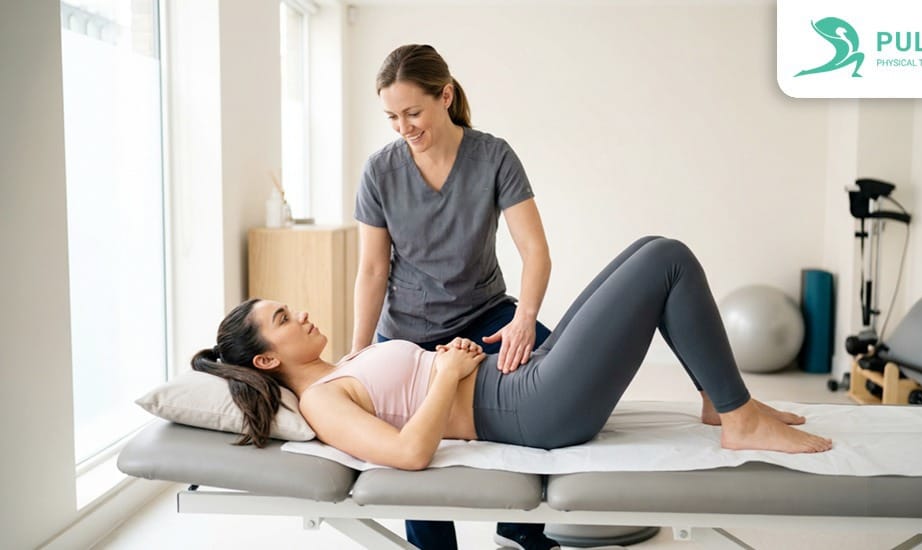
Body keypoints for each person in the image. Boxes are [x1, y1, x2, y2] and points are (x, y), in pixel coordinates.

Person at [194, 237, 833, 496]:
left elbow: (407, 385)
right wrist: (445, 376)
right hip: (529, 409)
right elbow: (410, 453)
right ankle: (738, 417)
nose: (300, 314)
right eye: (283, 319)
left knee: (647, 251)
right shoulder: (321, 403)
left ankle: (720, 399)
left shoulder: (345, 363)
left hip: (517, 376)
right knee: (666, 259)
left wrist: (456, 356)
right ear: (268, 358)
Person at [350, 43, 555, 549]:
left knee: (555, 373)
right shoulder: (380, 172)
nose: (404, 127)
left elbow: (536, 251)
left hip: (487, 314)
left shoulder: (493, 156)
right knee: (417, 428)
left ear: (445, 96)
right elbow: (373, 270)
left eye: (413, 112)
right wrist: (361, 352)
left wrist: (525, 319)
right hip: (407, 334)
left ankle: (520, 528)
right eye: (392, 117)